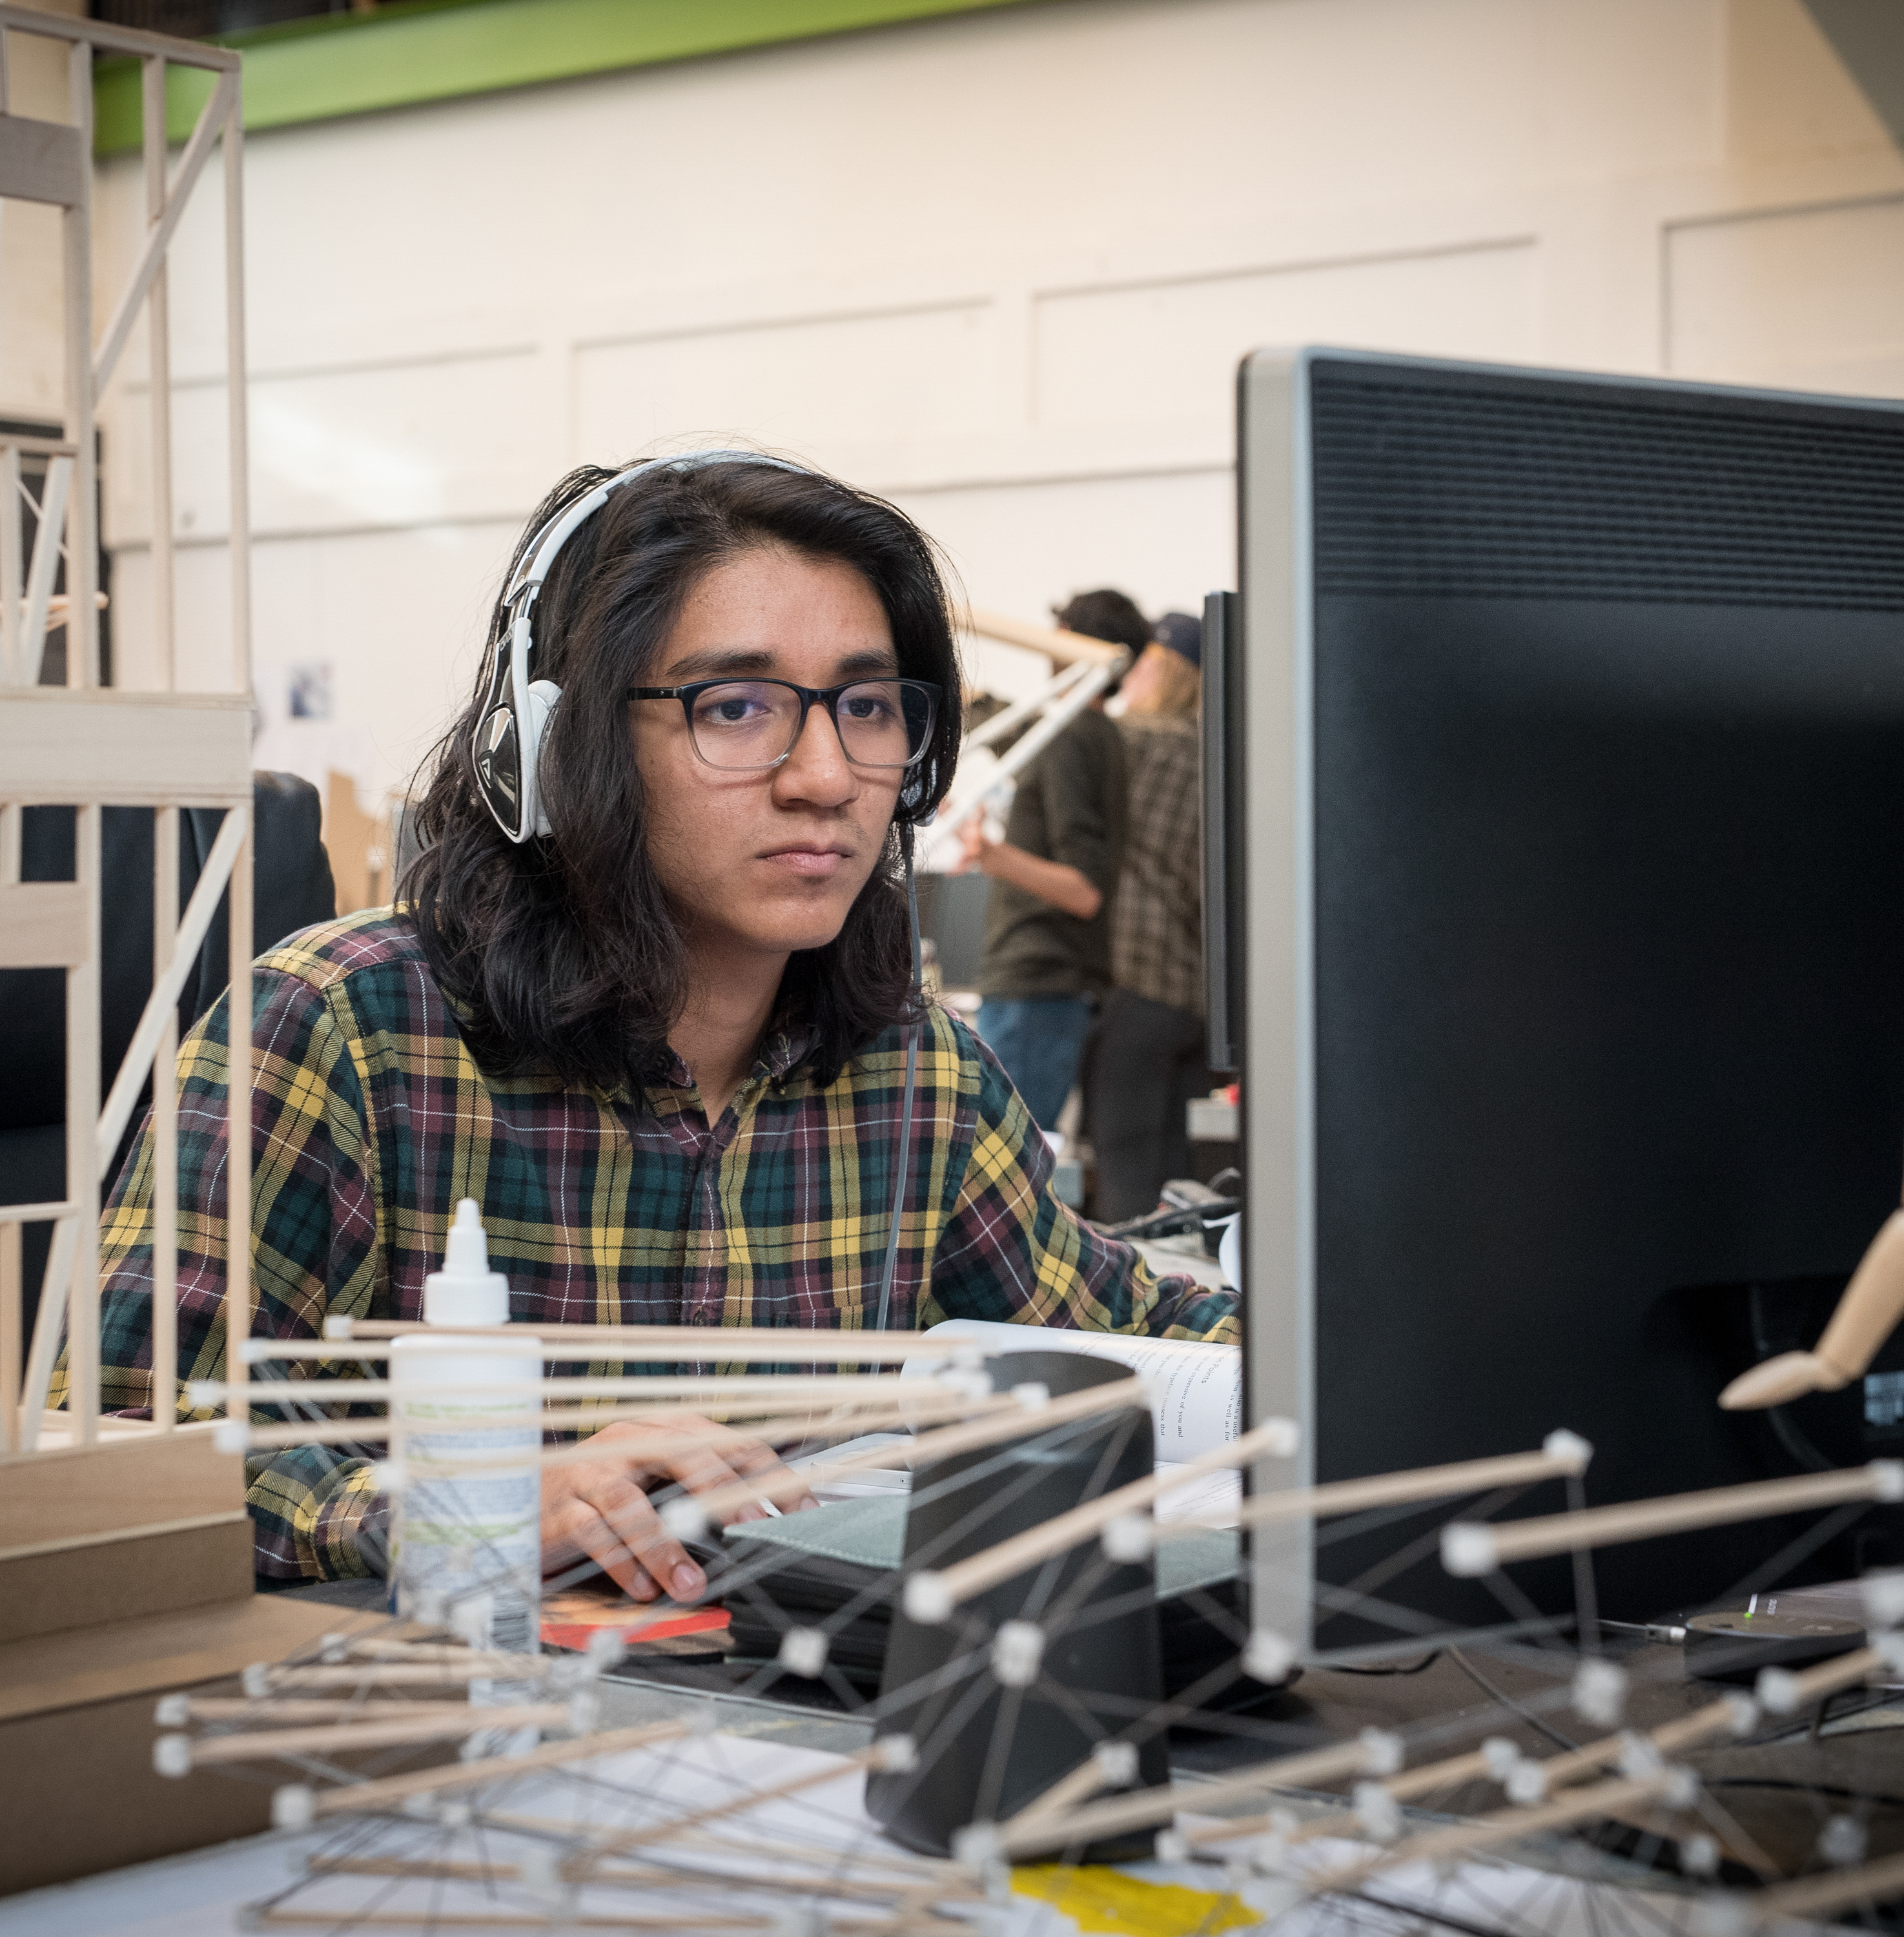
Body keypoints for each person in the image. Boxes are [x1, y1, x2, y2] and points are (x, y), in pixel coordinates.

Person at [61, 455, 1236, 1597]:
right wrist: (464, 1502)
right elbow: (108, 1455)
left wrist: (1361, 1321)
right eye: (735, 706)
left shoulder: (912, 1071)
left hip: (798, 1744)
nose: (828, 776)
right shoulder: (348, 1030)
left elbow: (1118, 1321)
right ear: (560, 744)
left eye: (870, 707)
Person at [963, 589, 1139, 1132]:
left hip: (1036, 983)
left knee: (1003, 1163)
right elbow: (1016, 734)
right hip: (1046, 987)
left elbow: (1084, 889)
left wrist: (993, 857)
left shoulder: (1074, 735)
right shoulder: (1092, 734)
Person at [1083, 610, 1211, 1224]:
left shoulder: (1123, 742)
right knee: (1183, 1177)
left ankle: (1123, 1318)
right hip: (1196, 999)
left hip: (1133, 981)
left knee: (1124, 1166)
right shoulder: (1217, 761)